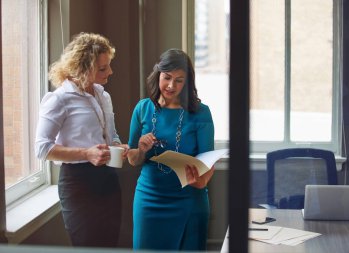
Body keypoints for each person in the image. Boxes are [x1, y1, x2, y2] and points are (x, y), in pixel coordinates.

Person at [35, 32, 129, 247]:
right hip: (78, 184)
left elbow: (110, 135)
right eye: (103, 68)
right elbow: (42, 148)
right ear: (83, 67)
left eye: (109, 65)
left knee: (109, 245)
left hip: (108, 179)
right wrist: (86, 153)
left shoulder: (103, 95)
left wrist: (118, 146)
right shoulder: (58, 99)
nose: (110, 72)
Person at [127, 48, 215, 250]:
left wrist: (202, 181)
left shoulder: (201, 113)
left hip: (189, 200)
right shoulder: (143, 108)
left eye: (179, 80)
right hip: (149, 198)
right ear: (158, 74)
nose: (170, 85)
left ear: (188, 82)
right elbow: (132, 158)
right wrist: (141, 149)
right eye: (166, 78)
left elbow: (207, 160)